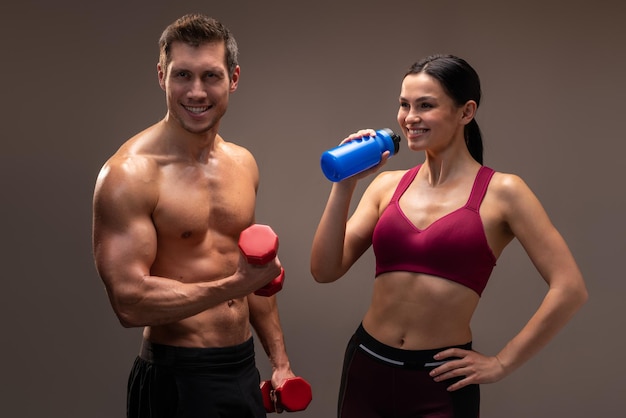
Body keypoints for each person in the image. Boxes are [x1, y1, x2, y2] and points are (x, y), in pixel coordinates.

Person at [310, 54, 588, 418]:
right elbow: (325, 270)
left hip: (440, 381)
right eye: (404, 104)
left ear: (466, 112)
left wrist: (502, 362)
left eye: (426, 105)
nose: (410, 117)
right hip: (368, 366)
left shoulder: (504, 192)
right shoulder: (386, 185)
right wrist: (344, 185)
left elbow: (570, 288)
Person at [92, 13, 297, 418]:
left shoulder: (243, 164)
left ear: (233, 78)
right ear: (161, 75)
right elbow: (129, 304)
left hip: (240, 369)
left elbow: (256, 276)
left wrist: (280, 362)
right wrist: (236, 283)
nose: (197, 91)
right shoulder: (129, 175)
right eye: (183, 75)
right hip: (175, 378)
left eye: (211, 76)